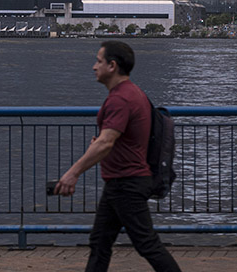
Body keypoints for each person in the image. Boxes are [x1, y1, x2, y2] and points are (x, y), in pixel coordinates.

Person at [55, 41, 181, 272]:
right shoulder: (133, 92)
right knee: (100, 242)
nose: (94, 67)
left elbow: (105, 142)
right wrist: (104, 143)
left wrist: (72, 174)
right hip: (120, 182)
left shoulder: (120, 99)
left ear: (112, 66)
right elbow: (115, 139)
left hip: (127, 183)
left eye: (98, 61)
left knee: (147, 244)